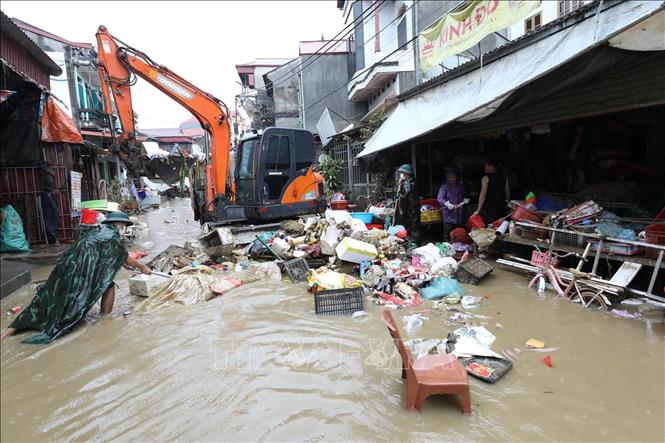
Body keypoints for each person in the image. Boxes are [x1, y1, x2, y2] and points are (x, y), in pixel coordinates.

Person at [1, 212, 151, 344]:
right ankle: (105, 319)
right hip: (81, 272)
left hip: (64, 268)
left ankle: (7, 333)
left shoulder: (97, 231)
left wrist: (124, 263)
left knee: (46, 297)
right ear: (119, 224)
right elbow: (124, 256)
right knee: (107, 285)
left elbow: (115, 256)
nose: (124, 228)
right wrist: (142, 267)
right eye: (124, 225)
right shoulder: (112, 236)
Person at [472, 157, 509, 225]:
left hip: (490, 210)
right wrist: (506, 204)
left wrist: (478, 210)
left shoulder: (485, 178)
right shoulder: (504, 177)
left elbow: (482, 195)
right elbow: (507, 193)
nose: (484, 168)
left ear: (492, 166)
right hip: (502, 208)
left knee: (491, 231)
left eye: (486, 166)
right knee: (502, 230)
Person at [437, 169, 469, 242]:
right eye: (450, 177)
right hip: (448, 215)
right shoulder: (444, 187)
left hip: (459, 214)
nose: (452, 179)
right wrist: (446, 204)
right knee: (447, 235)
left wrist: (465, 200)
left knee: (459, 234)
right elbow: (440, 198)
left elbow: (464, 195)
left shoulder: (459, 186)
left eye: (453, 177)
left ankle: (458, 248)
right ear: (447, 178)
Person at [393, 163, 420, 245]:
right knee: (413, 228)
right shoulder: (412, 182)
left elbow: (403, 197)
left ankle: (412, 246)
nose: (401, 175)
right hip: (413, 210)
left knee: (410, 229)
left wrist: (401, 184)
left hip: (409, 211)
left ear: (407, 174)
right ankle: (413, 244)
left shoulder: (408, 184)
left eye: (403, 173)